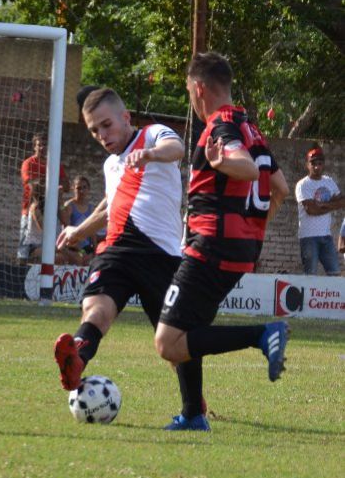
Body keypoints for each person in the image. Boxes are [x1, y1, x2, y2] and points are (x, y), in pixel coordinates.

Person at [153, 52, 290, 431]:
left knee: (168, 342)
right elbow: (279, 189)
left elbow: (244, 167)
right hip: (237, 248)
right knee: (187, 329)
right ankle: (193, 414)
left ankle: (262, 334)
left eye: (188, 92)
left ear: (198, 89)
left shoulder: (220, 127)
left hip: (210, 245)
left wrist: (221, 163)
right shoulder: (250, 126)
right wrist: (251, 229)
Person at [54, 89, 188, 399]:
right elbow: (109, 207)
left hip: (160, 254)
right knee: (96, 310)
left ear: (125, 117)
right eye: (93, 130)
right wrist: (78, 231)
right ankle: (77, 358)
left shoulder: (153, 134)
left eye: (106, 125)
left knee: (173, 345)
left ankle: (194, 404)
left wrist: (150, 154)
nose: (101, 135)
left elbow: (176, 147)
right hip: (117, 249)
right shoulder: (110, 165)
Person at [294, 146, 344, 275]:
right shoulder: (303, 184)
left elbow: (343, 201)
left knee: (334, 273)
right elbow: (311, 210)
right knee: (310, 274)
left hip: (326, 236)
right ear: (307, 165)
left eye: (319, 163)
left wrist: (324, 205)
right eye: (313, 163)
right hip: (309, 237)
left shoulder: (329, 182)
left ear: (323, 165)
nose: (316, 167)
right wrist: (332, 204)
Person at [17, 132, 67, 260]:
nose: (42, 148)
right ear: (34, 146)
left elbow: (66, 186)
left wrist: (57, 185)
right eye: (39, 145)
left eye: (45, 145)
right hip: (30, 209)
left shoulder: (56, 163)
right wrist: (52, 184)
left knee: (52, 248)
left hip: (51, 211)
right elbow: (32, 185)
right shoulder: (28, 163)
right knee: (25, 250)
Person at [61, 175, 98, 262]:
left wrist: (95, 249)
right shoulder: (69, 205)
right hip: (72, 247)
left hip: (86, 248)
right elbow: (65, 226)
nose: (81, 191)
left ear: (88, 189)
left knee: (87, 258)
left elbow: (92, 231)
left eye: (84, 187)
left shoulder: (90, 208)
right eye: (78, 188)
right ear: (73, 189)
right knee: (79, 258)